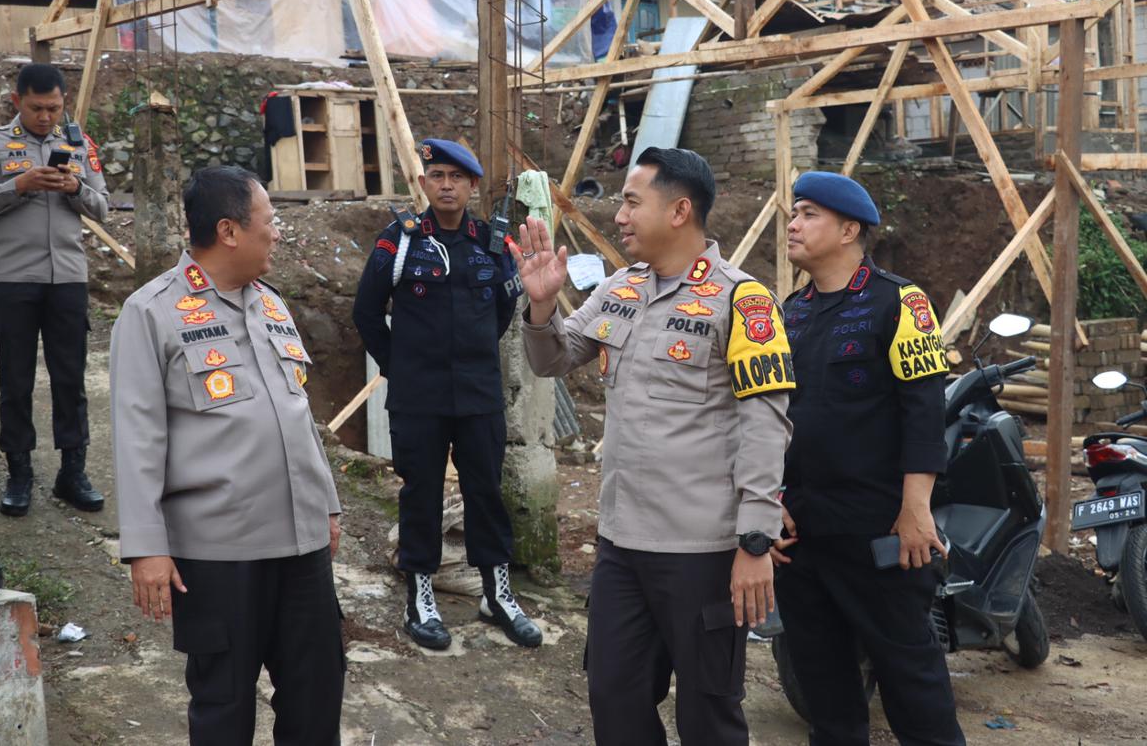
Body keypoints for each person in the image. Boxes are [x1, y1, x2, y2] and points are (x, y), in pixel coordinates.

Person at [513, 147, 794, 745]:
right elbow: (553, 360)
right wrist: (542, 306)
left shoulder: (742, 300)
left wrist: (755, 540)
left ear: (679, 210)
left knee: (709, 712)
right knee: (613, 699)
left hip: (702, 551)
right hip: (621, 545)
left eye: (632, 201)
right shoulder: (622, 288)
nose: (619, 215)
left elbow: (766, 424)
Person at [110, 166, 344, 745]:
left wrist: (327, 504)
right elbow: (137, 435)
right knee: (223, 703)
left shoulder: (270, 302)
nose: (279, 233)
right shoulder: (152, 312)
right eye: (270, 221)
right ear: (229, 231)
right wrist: (147, 548)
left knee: (317, 693)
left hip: (301, 545)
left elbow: (297, 414)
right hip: (218, 555)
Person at [772, 171, 965, 746]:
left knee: (911, 679)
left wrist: (916, 510)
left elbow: (924, 411)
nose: (793, 223)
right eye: (793, 213)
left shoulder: (900, 303)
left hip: (879, 529)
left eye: (807, 213)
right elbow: (772, 420)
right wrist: (770, 501)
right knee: (825, 690)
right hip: (802, 532)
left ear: (849, 228)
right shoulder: (790, 312)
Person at [352, 138, 541, 651]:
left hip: (479, 396)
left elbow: (502, 310)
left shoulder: (492, 242)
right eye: (437, 176)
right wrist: (401, 368)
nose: (447, 185)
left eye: (457, 177)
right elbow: (366, 311)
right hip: (419, 399)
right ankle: (421, 595)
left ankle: (497, 595)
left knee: (486, 493)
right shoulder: (401, 240)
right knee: (422, 495)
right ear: (423, 184)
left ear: (473, 186)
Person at [0, 63, 108, 517]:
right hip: (13, 280)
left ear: (64, 102)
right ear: (17, 101)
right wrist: (18, 185)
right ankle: (19, 474)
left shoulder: (80, 145)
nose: (46, 117)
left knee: (70, 380)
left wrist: (74, 187)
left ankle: (72, 473)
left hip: (66, 279)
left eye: (54, 108)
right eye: (36, 107)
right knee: (15, 379)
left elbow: (102, 206)